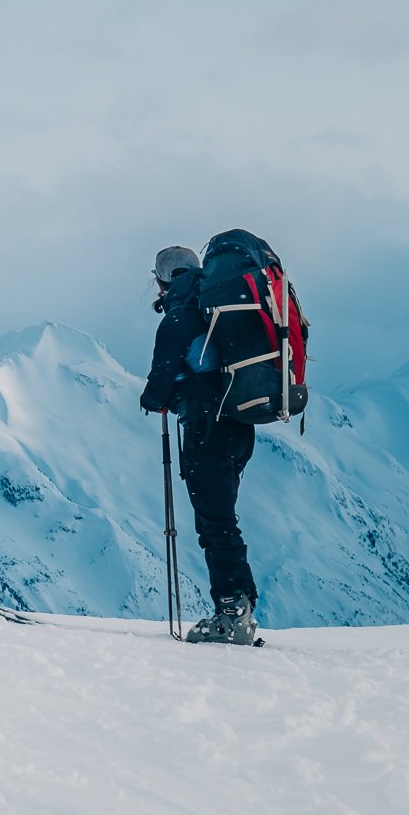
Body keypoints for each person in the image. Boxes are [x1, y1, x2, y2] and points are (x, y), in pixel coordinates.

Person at [140, 245, 259, 645]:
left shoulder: (181, 316)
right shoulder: (213, 309)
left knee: (214, 521)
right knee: (222, 518)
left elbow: (163, 377)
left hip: (208, 428)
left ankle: (232, 612)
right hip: (239, 425)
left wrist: (153, 400)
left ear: (164, 279)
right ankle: (239, 606)